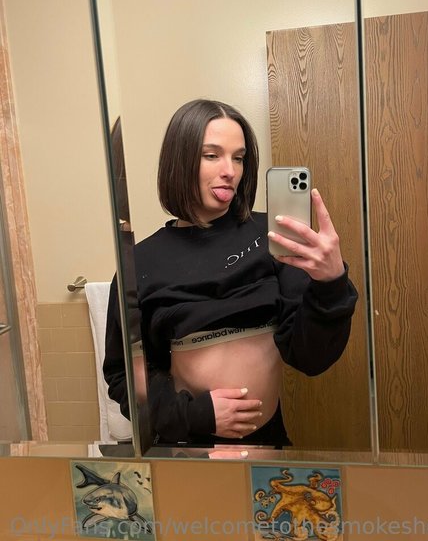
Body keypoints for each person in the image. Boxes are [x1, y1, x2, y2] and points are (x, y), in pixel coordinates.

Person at [103, 98, 358, 448]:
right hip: (185, 451)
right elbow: (124, 377)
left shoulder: (273, 237)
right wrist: (196, 416)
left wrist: (330, 283)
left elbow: (311, 359)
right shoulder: (140, 262)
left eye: (238, 158)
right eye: (212, 155)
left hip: (267, 447)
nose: (230, 171)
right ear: (180, 161)